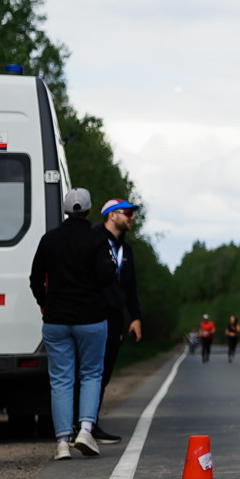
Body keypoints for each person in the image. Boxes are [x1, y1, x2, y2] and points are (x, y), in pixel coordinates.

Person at [29, 187, 116, 458]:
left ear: (66, 210)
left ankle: (62, 443)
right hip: (91, 319)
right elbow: (108, 276)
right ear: (89, 210)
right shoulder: (98, 240)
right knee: (91, 374)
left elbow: (35, 278)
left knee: (61, 380)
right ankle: (86, 431)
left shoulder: (49, 240)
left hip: (56, 320)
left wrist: (46, 304)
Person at [93, 199, 144, 443]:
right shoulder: (93, 239)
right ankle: (77, 425)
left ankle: (90, 423)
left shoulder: (127, 249)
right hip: (91, 313)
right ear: (111, 216)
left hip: (115, 316)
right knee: (87, 371)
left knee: (103, 372)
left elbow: (131, 286)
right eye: (128, 214)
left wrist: (135, 316)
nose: (132, 218)